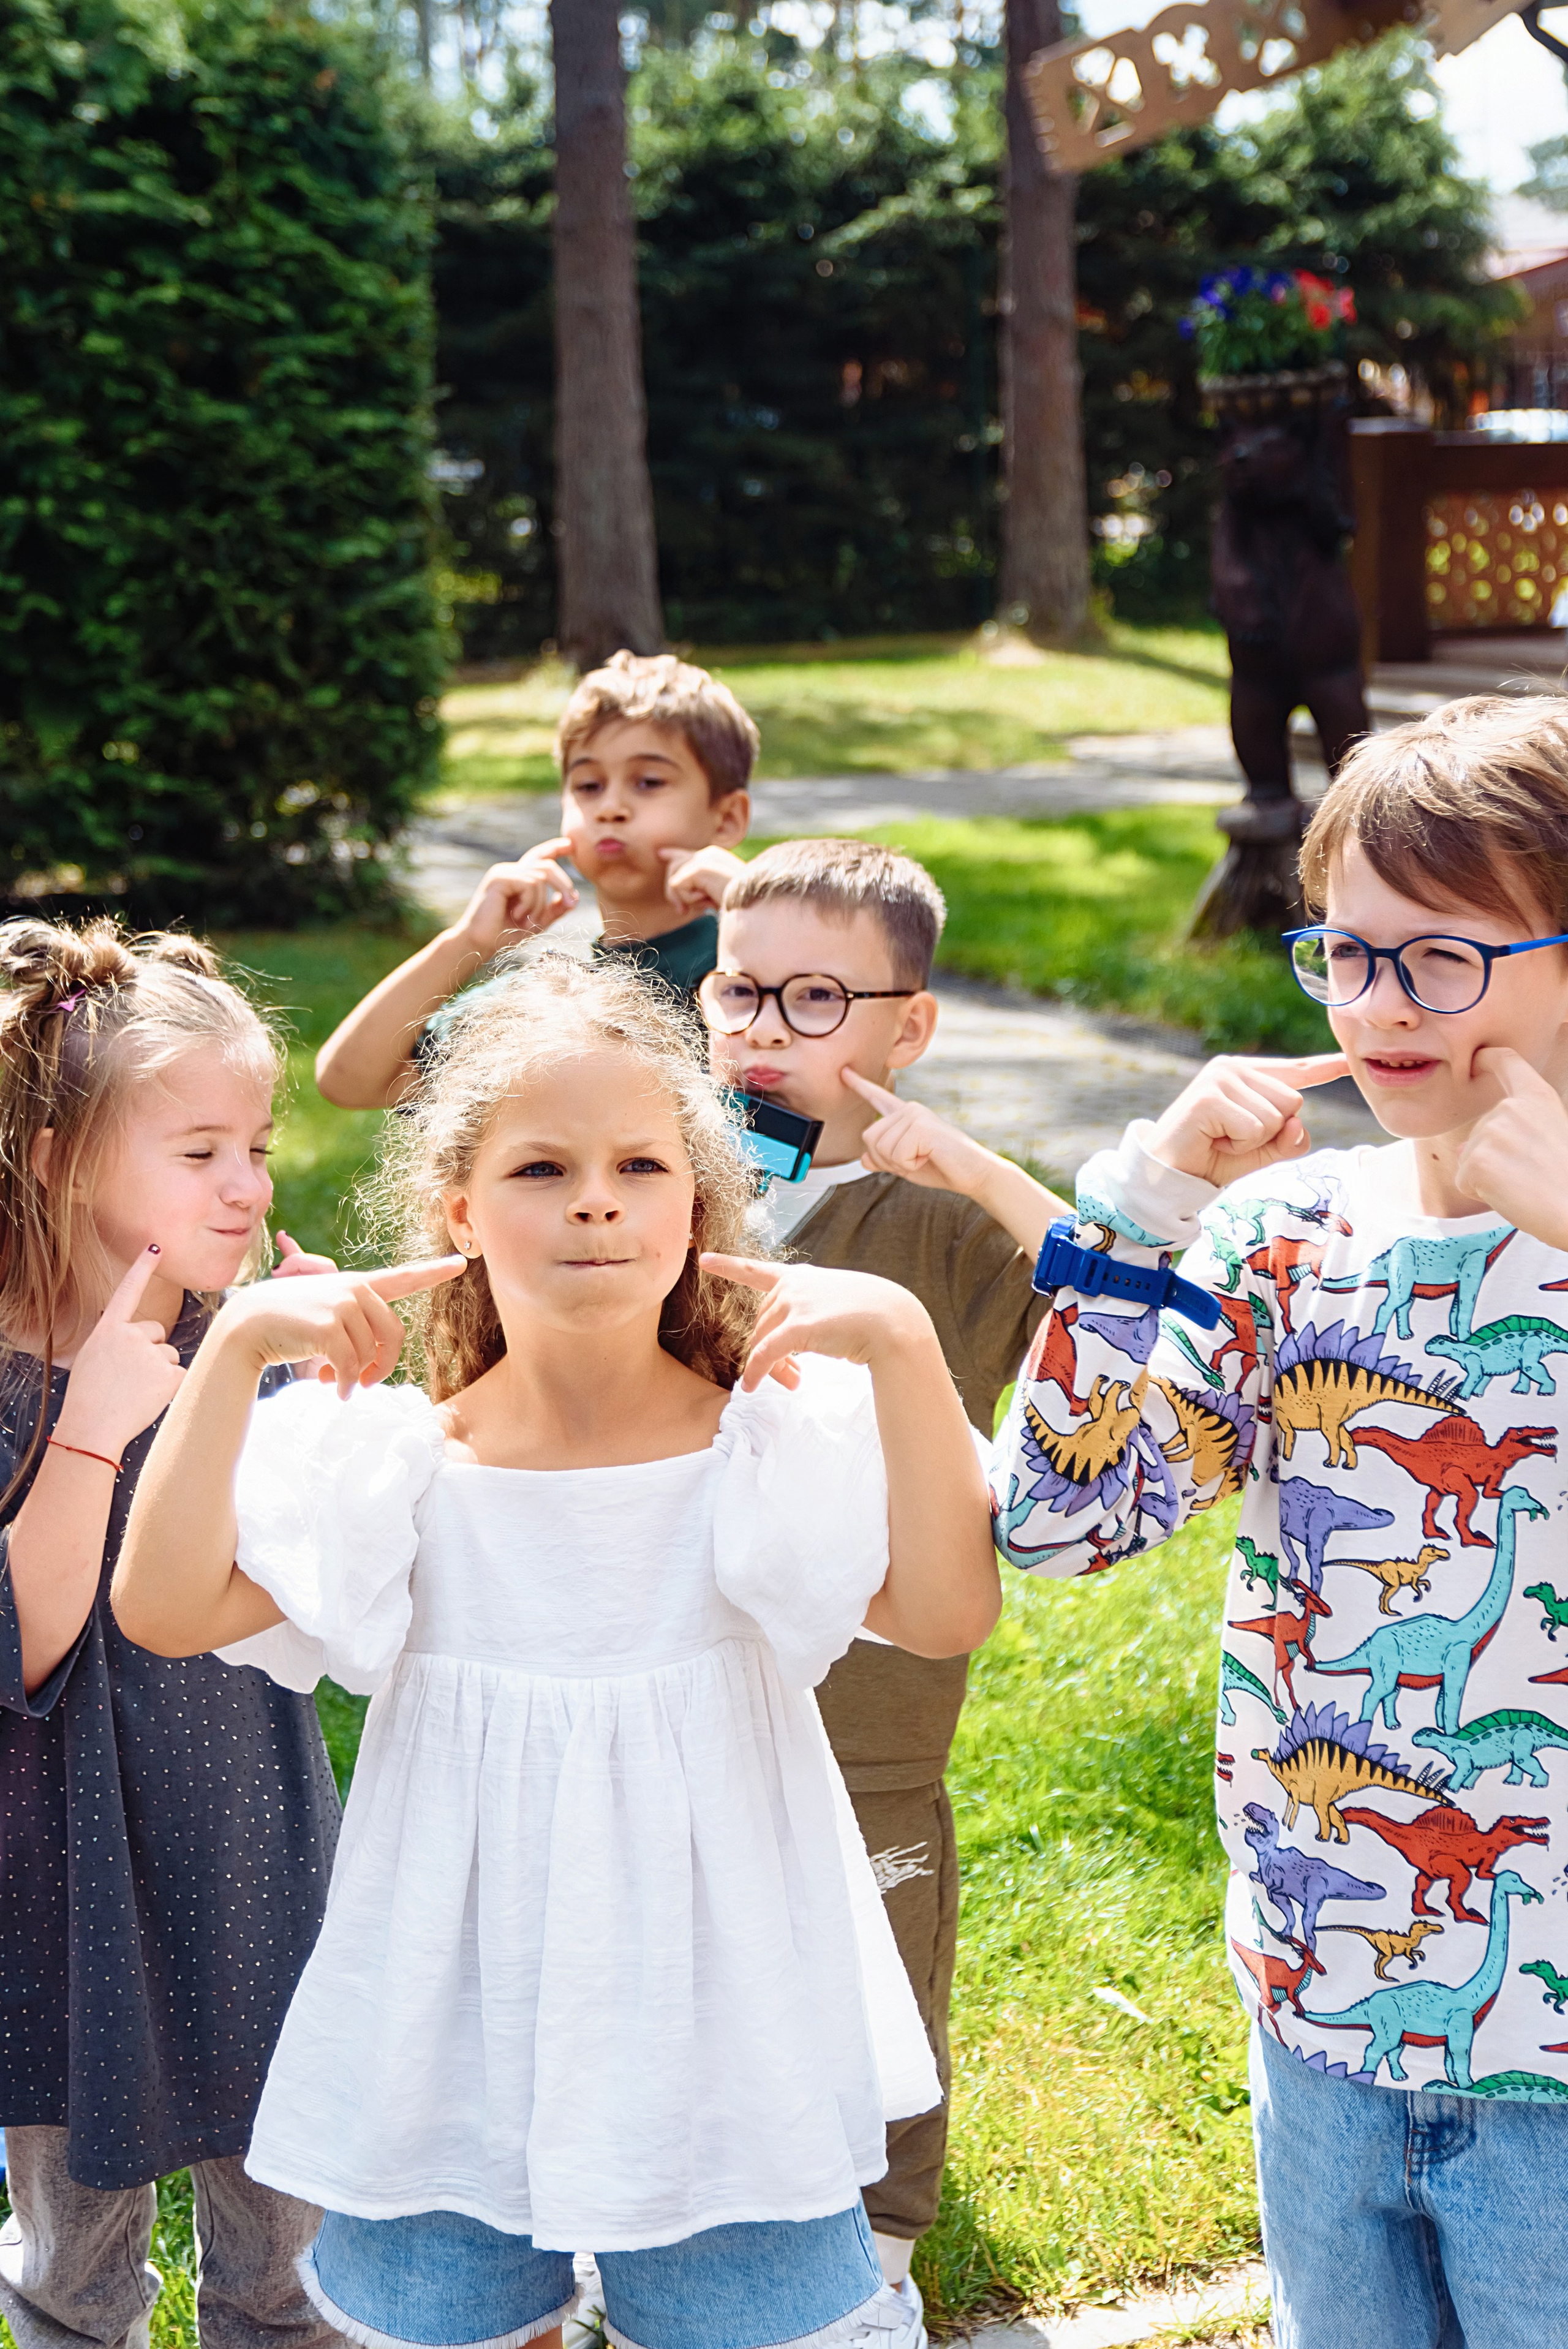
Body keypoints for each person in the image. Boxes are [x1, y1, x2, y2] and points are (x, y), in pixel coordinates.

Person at [111, 954, 1001, 2349]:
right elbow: (162, 1607)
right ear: (458, 1207)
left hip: (725, 2033)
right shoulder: (395, 1463)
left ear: (695, 1203)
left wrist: (895, 1341)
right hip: (452, 2025)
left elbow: (947, 1614)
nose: (596, 1196)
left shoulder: (767, 1440)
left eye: (640, 1162)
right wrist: (231, 1360)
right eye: (541, 1166)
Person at [989, 693, 1568, 2349]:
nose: (1383, 1005)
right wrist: (1141, 1214)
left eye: (1444, 958)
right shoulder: (1282, 1231)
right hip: (1320, 2027)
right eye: (1348, 952)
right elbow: (1053, 1522)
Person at [699, 840, 1070, 2326]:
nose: (762, 1027)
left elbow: (1101, 1308)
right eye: (738, 988)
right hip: (682, 1668)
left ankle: (877, 2243)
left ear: (906, 1026)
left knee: (871, 1966)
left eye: (813, 997)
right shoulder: (666, 1191)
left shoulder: (938, 1224)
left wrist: (978, 1166)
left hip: (871, 1700)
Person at [0, 917, 345, 2349]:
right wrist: (91, 1428)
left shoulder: (233, 1339)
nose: (248, 1181)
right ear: (55, 1153)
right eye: (198, 1149)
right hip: (54, 1868)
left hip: (242, 1828)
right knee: (77, 2270)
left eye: (256, 1145)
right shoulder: (19, 1367)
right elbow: (23, 1650)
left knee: (284, 2251)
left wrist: (318, 1413)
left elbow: (310, 1587)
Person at [314, 650, 758, 1109]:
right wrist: (469, 942)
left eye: (648, 781)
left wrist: (758, 913)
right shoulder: (553, 998)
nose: (610, 807)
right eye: (588, 785)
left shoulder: (758, 971)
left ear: (726, 817)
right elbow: (349, 1081)